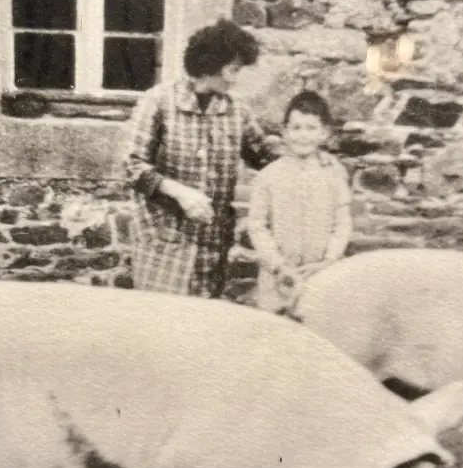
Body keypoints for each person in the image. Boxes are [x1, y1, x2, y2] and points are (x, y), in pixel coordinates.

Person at [122, 19, 280, 299]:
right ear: (211, 65)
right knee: (161, 324)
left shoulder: (236, 110)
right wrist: (181, 193)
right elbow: (131, 167)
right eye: (233, 68)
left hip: (211, 248)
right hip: (163, 243)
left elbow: (267, 161)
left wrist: (307, 159)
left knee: (201, 329)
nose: (235, 77)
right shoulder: (158, 101)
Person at [247, 88, 352, 314]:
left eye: (311, 128)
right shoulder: (268, 176)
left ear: (324, 133)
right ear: (284, 132)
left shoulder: (334, 173)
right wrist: (278, 265)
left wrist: (329, 260)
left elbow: (342, 223)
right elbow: (257, 226)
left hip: (321, 275)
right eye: (296, 128)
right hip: (278, 280)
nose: (303, 135)